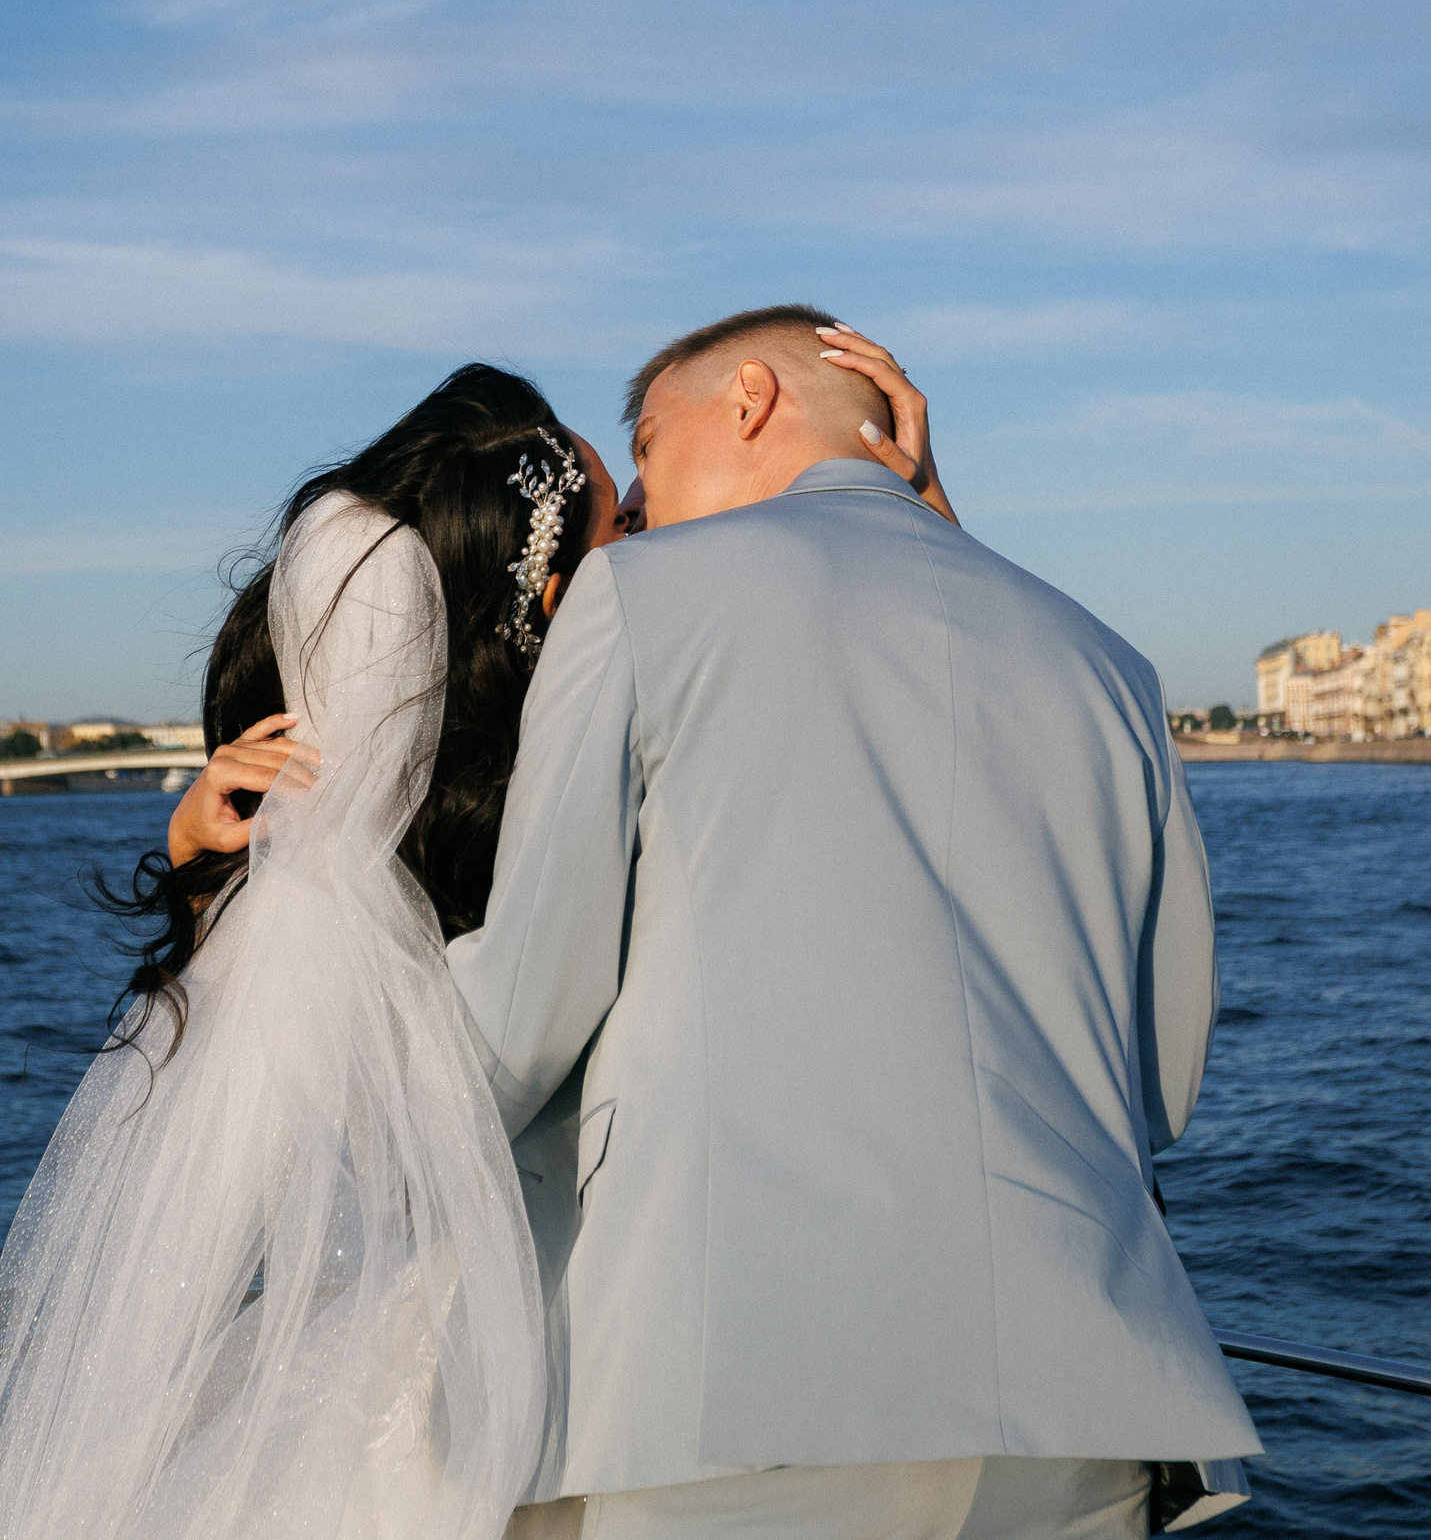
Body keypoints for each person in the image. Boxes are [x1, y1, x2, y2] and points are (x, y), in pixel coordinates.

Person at [450, 305, 1262, 1540]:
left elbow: (521, 1018)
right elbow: (1167, 1080)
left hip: (730, 1395)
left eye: (650, 452)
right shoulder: (1108, 663)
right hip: (1083, 1415)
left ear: (749, 398)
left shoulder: (641, 593)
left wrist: (314, 1047)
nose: (643, 504)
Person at [0, 364, 629, 1540]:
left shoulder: (316, 842)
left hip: (404, 1316)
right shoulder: (559, 808)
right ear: (537, 596)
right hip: (547, 1323)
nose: (638, 552)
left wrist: (208, 885)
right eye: (619, 532)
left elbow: (297, 1099)